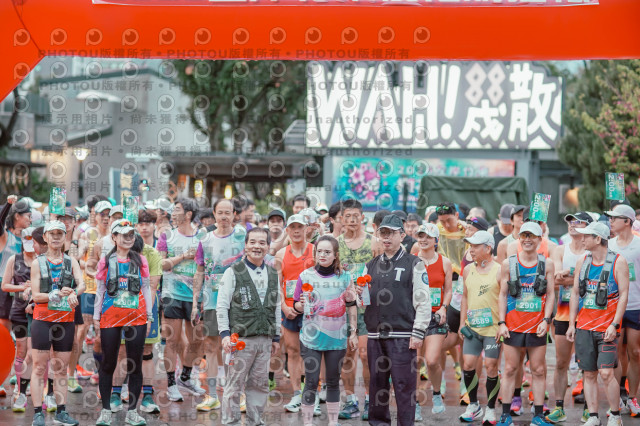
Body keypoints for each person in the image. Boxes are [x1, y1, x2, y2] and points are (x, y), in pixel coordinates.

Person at [356, 214, 430, 426]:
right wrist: (358, 294)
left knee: (404, 386)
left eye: (391, 233)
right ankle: (378, 423)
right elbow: (363, 304)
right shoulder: (370, 265)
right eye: (383, 233)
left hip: (403, 335)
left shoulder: (414, 263)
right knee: (377, 386)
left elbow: (423, 301)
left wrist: (418, 332)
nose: (386, 237)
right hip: (375, 334)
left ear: (402, 235)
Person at [566, 222, 629, 426]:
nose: (582, 239)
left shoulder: (618, 262)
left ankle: (615, 415)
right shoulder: (582, 261)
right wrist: (572, 324)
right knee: (589, 373)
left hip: (607, 328)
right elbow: (575, 293)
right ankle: (593, 416)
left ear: (598, 239)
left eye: (586, 236)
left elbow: (623, 295)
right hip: (584, 327)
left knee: (606, 372)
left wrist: (615, 324)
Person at [217, 227, 281, 425]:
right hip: (240, 339)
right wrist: (225, 335)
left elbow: (277, 305)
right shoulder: (233, 272)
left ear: (268, 246)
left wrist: (276, 336)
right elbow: (222, 305)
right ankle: (231, 422)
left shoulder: (273, 273)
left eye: (262, 243)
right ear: (245, 245)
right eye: (252, 242)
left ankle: (256, 421)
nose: (257, 246)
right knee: (234, 384)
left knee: (259, 385)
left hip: (265, 337)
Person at [293, 235, 358, 426]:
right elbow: (296, 305)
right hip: (311, 338)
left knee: (333, 380)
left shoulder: (345, 277)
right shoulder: (305, 276)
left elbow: (352, 305)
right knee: (311, 381)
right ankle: (307, 422)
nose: (322, 255)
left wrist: (353, 332)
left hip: (337, 338)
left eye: (327, 252)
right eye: (319, 251)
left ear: (335, 255)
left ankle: (333, 421)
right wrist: (300, 305)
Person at [93, 219, 153, 426]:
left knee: (135, 363)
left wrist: (149, 316)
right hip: (111, 317)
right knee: (108, 362)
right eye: (123, 235)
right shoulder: (105, 261)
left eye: (131, 235)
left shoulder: (140, 260)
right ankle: (106, 411)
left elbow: (146, 288)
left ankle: (133, 411)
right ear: (114, 237)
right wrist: (96, 317)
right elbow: (100, 290)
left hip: (137, 317)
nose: (128, 238)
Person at [497, 222, 555, 426]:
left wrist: (546, 320)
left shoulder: (546, 264)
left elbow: (550, 294)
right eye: (524, 235)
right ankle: (505, 415)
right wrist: (501, 322)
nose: (527, 239)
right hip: (513, 325)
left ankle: (538, 416)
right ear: (519, 238)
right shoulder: (508, 263)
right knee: (510, 369)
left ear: (540, 239)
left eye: (531, 236)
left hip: (537, 326)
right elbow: (502, 294)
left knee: (538, 370)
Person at [30, 221, 85, 426]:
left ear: (64, 237)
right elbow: (36, 296)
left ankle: (61, 412)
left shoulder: (71, 261)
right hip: (42, 320)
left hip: (65, 321)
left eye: (59, 234)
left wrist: (73, 293)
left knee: (61, 368)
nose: (55, 237)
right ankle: (37, 413)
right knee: (39, 367)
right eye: (51, 234)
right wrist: (54, 294)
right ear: (45, 237)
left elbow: (81, 284)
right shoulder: (38, 263)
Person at [192, 198, 245, 411]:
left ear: (234, 215)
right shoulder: (205, 239)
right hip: (211, 301)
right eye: (220, 212)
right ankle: (212, 395)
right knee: (211, 346)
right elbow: (199, 271)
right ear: (214, 214)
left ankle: (239, 395)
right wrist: (196, 302)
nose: (223, 216)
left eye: (227, 212)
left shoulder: (242, 236)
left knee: (238, 347)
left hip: (238, 301)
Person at [157, 198, 205, 401]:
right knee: (172, 340)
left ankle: (185, 377)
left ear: (188, 214)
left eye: (177, 209)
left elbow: (206, 265)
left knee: (197, 341)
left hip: (196, 295)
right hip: (172, 294)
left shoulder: (203, 236)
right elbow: (160, 264)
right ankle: (171, 384)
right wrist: (183, 256)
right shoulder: (166, 236)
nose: (173, 213)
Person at [546, 212, 592, 424]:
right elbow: (554, 281)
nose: (572, 225)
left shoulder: (592, 251)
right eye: (570, 222)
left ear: (588, 227)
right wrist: (579, 278)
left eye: (578, 222)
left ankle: (589, 409)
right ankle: (558, 408)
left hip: (590, 313)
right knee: (561, 362)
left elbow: (593, 279)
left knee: (588, 365)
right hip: (564, 313)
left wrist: (569, 276)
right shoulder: (560, 250)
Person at [459, 230, 502, 424]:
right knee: (468, 365)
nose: (471, 249)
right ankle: (474, 405)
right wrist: (462, 323)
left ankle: (491, 409)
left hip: (493, 330)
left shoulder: (499, 270)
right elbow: (465, 297)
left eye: (476, 246)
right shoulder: (468, 270)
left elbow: (505, 298)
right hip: (472, 328)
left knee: (491, 367)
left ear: (488, 248)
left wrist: (502, 324)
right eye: (470, 246)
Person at [337, 199, 374, 421]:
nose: (352, 220)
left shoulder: (374, 242)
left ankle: (370, 400)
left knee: (366, 355)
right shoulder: (335, 244)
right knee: (346, 355)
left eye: (355, 216)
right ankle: (350, 400)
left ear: (362, 217)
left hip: (368, 309)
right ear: (342, 219)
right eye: (347, 216)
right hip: (342, 310)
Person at [274, 214, 315, 412]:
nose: (296, 231)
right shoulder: (281, 254)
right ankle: (297, 394)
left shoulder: (315, 251)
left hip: (312, 310)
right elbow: (277, 285)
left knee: (312, 352)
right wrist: (284, 307)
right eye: (293, 227)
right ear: (287, 230)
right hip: (289, 309)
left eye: (300, 227)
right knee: (292, 350)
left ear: (306, 229)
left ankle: (312, 394)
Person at [1, 227, 43, 412]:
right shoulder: (14, 259)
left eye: (32, 241)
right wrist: (22, 287)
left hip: (39, 311)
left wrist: (35, 288)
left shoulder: (42, 260)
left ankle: (36, 387)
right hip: (18, 310)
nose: (30, 245)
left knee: (35, 353)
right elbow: (5, 286)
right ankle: (20, 388)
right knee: (21, 351)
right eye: (26, 240)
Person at [605, 203, 640, 415]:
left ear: (627, 221)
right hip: (613, 306)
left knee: (635, 352)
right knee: (616, 354)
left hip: (636, 305)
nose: (610, 221)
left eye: (614, 218)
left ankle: (633, 398)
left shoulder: (639, 244)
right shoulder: (609, 245)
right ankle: (616, 399)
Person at [415, 223, 453, 417]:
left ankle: (437, 394)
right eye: (421, 236)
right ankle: (414, 404)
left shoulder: (445, 262)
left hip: (435, 316)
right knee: (415, 362)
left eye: (428, 237)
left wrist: (444, 307)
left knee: (431, 360)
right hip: (414, 316)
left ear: (436, 240)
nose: (423, 240)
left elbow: (448, 289)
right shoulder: (412, 261)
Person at [79, 199, 112, 386]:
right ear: (95, 216)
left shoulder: (116, 235)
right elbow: (78, 260)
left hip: (108, 292)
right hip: (89, 289)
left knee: (101, 336)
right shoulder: (88, 234)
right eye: (102, 214)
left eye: (109, 215)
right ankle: (71, 372)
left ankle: (99, 371)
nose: (106, 218)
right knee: (81, 331)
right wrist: (96, 269)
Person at [0, 196, 31, 335]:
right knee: (4, 328)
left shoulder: (29, 239)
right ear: (17, 216)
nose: (30, 220)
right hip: (5, 288)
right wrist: (8, 204)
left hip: (23, 288)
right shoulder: (5, 237)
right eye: (28, 216)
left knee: (21, 332)